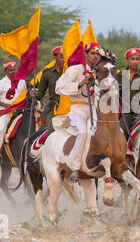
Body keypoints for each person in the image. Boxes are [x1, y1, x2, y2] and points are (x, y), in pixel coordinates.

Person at [55, 42, 101, 182]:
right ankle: (75, 168)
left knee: (116, 130)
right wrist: (80, 83)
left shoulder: (101, 71)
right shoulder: (75, 70)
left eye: (97, 54)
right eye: (92, 53)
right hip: (78, 109)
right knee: (83, 131)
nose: (95, 57)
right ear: (86, 54)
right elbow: (59, 87)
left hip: (95, 109)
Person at [0, 60, 26, 165]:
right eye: (10, 70)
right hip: (5, 112)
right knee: (1, 128)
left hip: (20, 111)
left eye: (14, 70)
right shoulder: (1, 83)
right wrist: (5, 105)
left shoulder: (22, 82)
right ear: (6, 71)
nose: (13, 72)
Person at [117, 47, 140, 140]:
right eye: (132, 59)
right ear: (127, 60)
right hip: (127, 111)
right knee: (121, 133)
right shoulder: (119, 76)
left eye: (137, 59)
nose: (135, 61)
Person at [29, 45, 64, 134]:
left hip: (71, 107)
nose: (63, 59)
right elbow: (41, 93)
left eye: (65, 56)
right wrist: (35, 93)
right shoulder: (47, 73)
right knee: (52, 133)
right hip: (54, 108)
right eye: (61, 57)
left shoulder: (71, 71)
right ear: (54, 57)